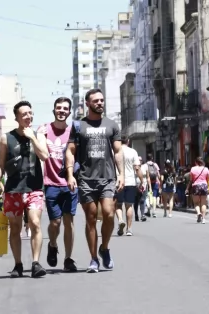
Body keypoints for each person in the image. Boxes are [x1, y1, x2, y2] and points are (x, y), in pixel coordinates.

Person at [65, 88, 123, 273]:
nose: (100, 103)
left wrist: (121, 174)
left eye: (102, 100)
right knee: (90, 219)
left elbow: (118, 151)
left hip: (107, 178)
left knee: (108, 213)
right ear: (87, 104)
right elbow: (70, 151)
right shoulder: (78, 126)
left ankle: (104, 247)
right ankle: (93, 259)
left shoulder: (112, 125)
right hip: (86, 179)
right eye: (96, 101)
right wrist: (69, 175)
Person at [0, 101, 49, 278]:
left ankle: (36, 263)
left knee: (35, 223)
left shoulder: (39, 135)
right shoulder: (6, 138)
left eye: (30, 113)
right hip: (13, 189)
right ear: (16, 118)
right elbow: (0, 165)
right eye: (24, 114)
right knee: (15, 229)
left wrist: (32, 137)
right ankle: (18, 264)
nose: (28, 116)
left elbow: (44, 156)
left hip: (34, 188)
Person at [38, 97, 79, 272]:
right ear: (54, 110)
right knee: (55, 222)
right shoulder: (44, 130)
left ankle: (68, 259)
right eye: (58, 108)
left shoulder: (74, 131)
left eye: (65, 109)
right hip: (51, 183)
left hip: (70, 183)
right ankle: (53, 244)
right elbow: (39, 153)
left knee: (68, 222)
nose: (61, 111)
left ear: (69, 112)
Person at [115, 135, 144, 236]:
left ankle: (120, 220)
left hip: (118, 181)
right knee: (129, 205)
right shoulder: (133, 152)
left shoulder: (115, 151)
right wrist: (142, 180)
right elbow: (137, 168)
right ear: (128, 141)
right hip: (131, 181)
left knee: (118, 204)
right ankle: (129, 229)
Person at [186, 157, 209, 223]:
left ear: (196, 162)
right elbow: (208, 179)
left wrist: (187, 188)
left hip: (196, 186)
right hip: (204, 186)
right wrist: (207, 186)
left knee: (196, 203)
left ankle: (199, 213)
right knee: (203, 203)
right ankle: (204, 219)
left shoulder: (193, 169)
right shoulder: (206, 169)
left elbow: (191, 180)